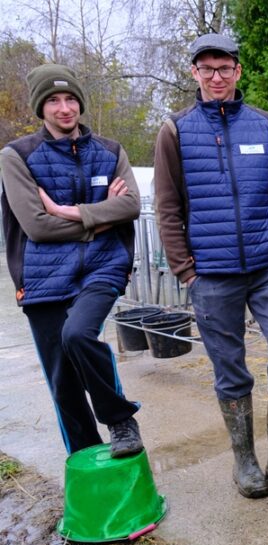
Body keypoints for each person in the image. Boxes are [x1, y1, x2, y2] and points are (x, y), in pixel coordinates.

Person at [153, 33, 268, 499]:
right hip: (211, 274)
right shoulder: (175, 131)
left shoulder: (265, 126)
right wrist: (186, 270)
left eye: (224, 68)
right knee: (231, 370)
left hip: (267, 266)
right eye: (206, 68)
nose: (216, 77)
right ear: (194, 73)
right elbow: (167, 208)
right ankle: (245, 461)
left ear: (238, 72)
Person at [0, 64, 144, 458]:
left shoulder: (110, 151)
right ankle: (85, 465)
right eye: (53, 100)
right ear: (40, 108)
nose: (64, 108)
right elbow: (36, 227)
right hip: (43, 277)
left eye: (70, 99)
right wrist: (99, 217)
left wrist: (68, 212)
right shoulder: (17, 156)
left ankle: (120, 419)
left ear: (80, 103)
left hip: (103, 265)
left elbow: (130, 204)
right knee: (62, 381)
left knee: (78, 334)